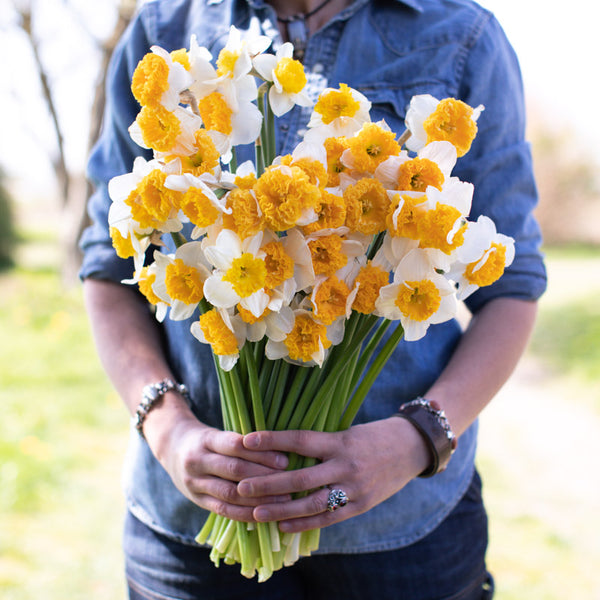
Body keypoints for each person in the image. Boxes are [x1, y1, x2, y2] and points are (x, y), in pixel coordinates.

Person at [80, 0, 547, 598]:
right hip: (191, 520)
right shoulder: (165, 25)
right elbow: (107, 263)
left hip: (403, 524)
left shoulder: (464, 35)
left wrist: (418, 439)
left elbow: (513, 285)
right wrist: (167, 429)